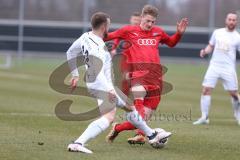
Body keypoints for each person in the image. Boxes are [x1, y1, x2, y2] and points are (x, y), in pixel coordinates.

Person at [66, 12, 172, 154]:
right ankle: (152, 135)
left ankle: (151, 134)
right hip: (102, 85)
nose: (109, 28)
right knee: (118, 113)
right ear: (104, 26)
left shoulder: (85, 37)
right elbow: (97, 71)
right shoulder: (98, 47)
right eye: (108, 25)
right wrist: (109, 88)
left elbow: (70, 52)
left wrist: (75, 75)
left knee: (127, 108)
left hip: (95, 84)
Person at [105, 5, 188, 144]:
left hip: (156, 79)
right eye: (147, 21)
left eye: (153, 22)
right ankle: (145, 136)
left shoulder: (158, 32)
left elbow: (171, 43)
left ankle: (119, 128)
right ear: (142, 18)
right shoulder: (129, 30)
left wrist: (179, 33)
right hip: (138, 77)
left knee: (142, 119)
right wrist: (96, 33)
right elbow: (109, 36)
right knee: (139, 107)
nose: (150, 24)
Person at [193, 13, 240, 125]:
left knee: (234, 94)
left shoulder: (238, 37)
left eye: (234, 20)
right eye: (230, 19)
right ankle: (204, 117)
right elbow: (211, 46)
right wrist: (205, 51)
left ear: (236, 22)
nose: (231, 21)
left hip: (228, 69)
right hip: (214, 66)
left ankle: (237, 115)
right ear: (226, 20)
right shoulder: (217, 32)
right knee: (206, 90)